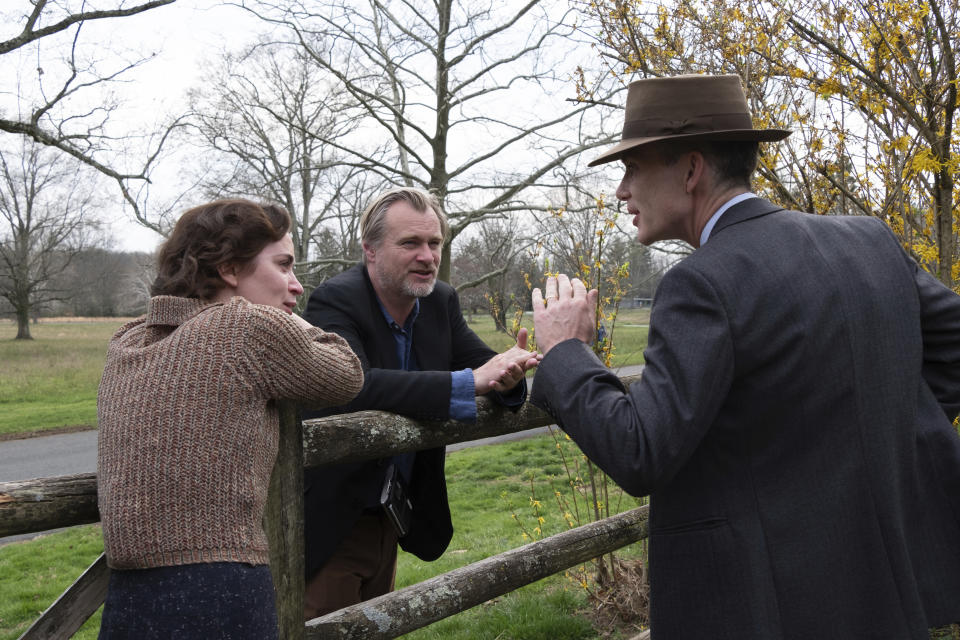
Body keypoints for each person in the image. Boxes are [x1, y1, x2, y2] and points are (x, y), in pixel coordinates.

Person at [530, 74, 960, 639]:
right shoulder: (870, 241)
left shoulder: (701, 284)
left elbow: (640, 451)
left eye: (633, 167)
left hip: (769, 609)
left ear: (690, 169)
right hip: (880, 594)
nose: (620, 191)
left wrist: (566, 352)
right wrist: (877, 435)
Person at [96, 199, 364, 639]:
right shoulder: (245, 328)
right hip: (219, 590)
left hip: (128, 595)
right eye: (283, 266)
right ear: (230, 269)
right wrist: (289, 322)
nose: (296, 285)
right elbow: (345, 374)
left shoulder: (127, 340)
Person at [301, 187, 541, 618]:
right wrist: (468, 383)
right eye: (410, 243)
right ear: (370, 250)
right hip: (333, 519)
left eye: (434, 243)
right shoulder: (334, 301)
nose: (427, 256)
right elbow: (355, 384)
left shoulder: (439, 302)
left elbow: (482, 363)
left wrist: (509, 374)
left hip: (392, 516)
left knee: (376, 628)